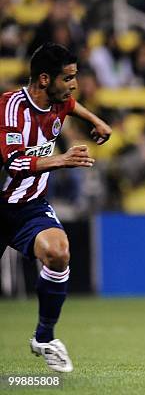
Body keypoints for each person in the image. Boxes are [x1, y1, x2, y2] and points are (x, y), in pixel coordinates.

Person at [0, 42, 112, 372]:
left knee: (59, 251)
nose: (74, 84)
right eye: (69, 77)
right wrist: (61, 160)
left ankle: (45, 337)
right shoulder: (11, 107)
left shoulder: (59, 100)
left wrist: (95, 119)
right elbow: (14, 163)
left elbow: (72, 105)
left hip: (30, 206)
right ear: (45, 79)